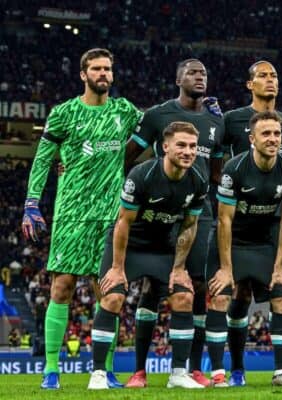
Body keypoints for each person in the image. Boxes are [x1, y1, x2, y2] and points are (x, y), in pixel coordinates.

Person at [21, 48, 142, 389]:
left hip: (111, 217)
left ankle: (102, 370)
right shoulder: (64, 113)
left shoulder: (124, 111)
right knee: (61, 287)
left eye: (108, 69)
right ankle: (50, 370)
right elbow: (44, 160)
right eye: (96, 69)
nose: (103, 74)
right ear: (83, 74)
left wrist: (196, 114)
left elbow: (159, 128)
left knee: (109, 292)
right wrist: (32, 202)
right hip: (71, 214)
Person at [123, 58, 224, 388]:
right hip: (158, 213)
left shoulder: (214, 121)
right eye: (193, 72)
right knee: (152, 285)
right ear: (178, 78)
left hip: (198, 213)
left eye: (204, 72)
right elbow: (126, 157)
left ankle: (190, 369)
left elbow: (217, 173)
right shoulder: (156, 115)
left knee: (195, 286)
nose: (199, 76)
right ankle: (140, 369)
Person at [87, 121, 208, 389]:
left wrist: (179, 268)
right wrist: (117, 268)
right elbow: (123, 223)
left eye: (192, 146)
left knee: (184, 295)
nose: (188, 151)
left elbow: (189, 226)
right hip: (128, 246)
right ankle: (98, 374)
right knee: (114, 296)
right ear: (165, 147)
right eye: (181, 145)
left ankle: (178, 374)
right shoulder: (141, 175)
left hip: (162, 247)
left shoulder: (198, 181)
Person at [205, 111, 282, 387]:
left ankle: (281, 372)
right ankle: (221, 373)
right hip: (233, 240)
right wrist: (226, 269)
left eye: (276, 134)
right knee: (222, 296)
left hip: (267, 241)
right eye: (266, 134)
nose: (273, 139)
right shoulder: (234, 170)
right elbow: (224, 219)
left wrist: (280, 266)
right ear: (252, 139)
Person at [222, 61, 282, 385]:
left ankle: (281, 370)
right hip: (237, 225)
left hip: (272, 225)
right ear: (249, 83)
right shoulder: (231, 120)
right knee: (237, 296)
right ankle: (236, 368)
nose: (270, 80)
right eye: (263, 75)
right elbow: (215, 164)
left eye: (275, 75)